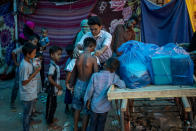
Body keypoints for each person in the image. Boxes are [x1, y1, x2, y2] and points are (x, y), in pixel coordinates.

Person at [84, 57, 126, 131]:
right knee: (101, 124)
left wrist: (87, 100)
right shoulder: (114, 77)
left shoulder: (95, 76)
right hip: (105, 107)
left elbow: (89, 91)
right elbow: (123, 85)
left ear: (105, 64)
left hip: (95, 106)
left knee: (93, 124)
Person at [71, 37, 98, 131]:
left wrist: (71, 85)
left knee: (77, 108)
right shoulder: (93, 59)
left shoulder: (78, 56)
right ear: (92, 46)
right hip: (88, 86)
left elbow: (74, 72)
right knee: (86, 110)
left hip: (78, 83)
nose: (94, 49)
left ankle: (75, 128)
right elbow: (95, 76)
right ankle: (83, 129)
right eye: (94, 47)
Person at [19, 43, 41, 131]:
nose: (35, 54)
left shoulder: (29, 61)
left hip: (30, 91)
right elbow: (24, 82)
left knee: (28, 112)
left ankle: (28, 125)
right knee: (26, 114)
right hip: (27, 93)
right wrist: (35, 72)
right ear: (28, 54)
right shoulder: (24, 65)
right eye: (34, 53)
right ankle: (26, 128)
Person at [45, 45, 62, 130]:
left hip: (54, 90)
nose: (60, 56)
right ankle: (49, 121)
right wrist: (57, 85)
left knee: (53, 105)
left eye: (60, 54)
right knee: (51, 105)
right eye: (58, 54)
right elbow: (49, 78)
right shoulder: (52, 66)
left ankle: (50, 118)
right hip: (52, 90)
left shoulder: (55, 65)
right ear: (52, 55)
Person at [10, 33, 27, 111]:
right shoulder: (22, 47)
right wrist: (16, 63)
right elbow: (13, 52)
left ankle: (24, 100)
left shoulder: (27, 47)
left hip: (26, 70)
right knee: (16, 86)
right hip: (19, 70)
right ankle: (12, 102)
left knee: (24, 85)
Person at [64, 44, 76, 113]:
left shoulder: (72, 59)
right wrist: (67, 82)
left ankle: (70, 107)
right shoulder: (69, 61)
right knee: (68, 94)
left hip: (72, 80)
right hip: (70, 81)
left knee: (71, 94)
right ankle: (68, 107)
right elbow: (67, 73)